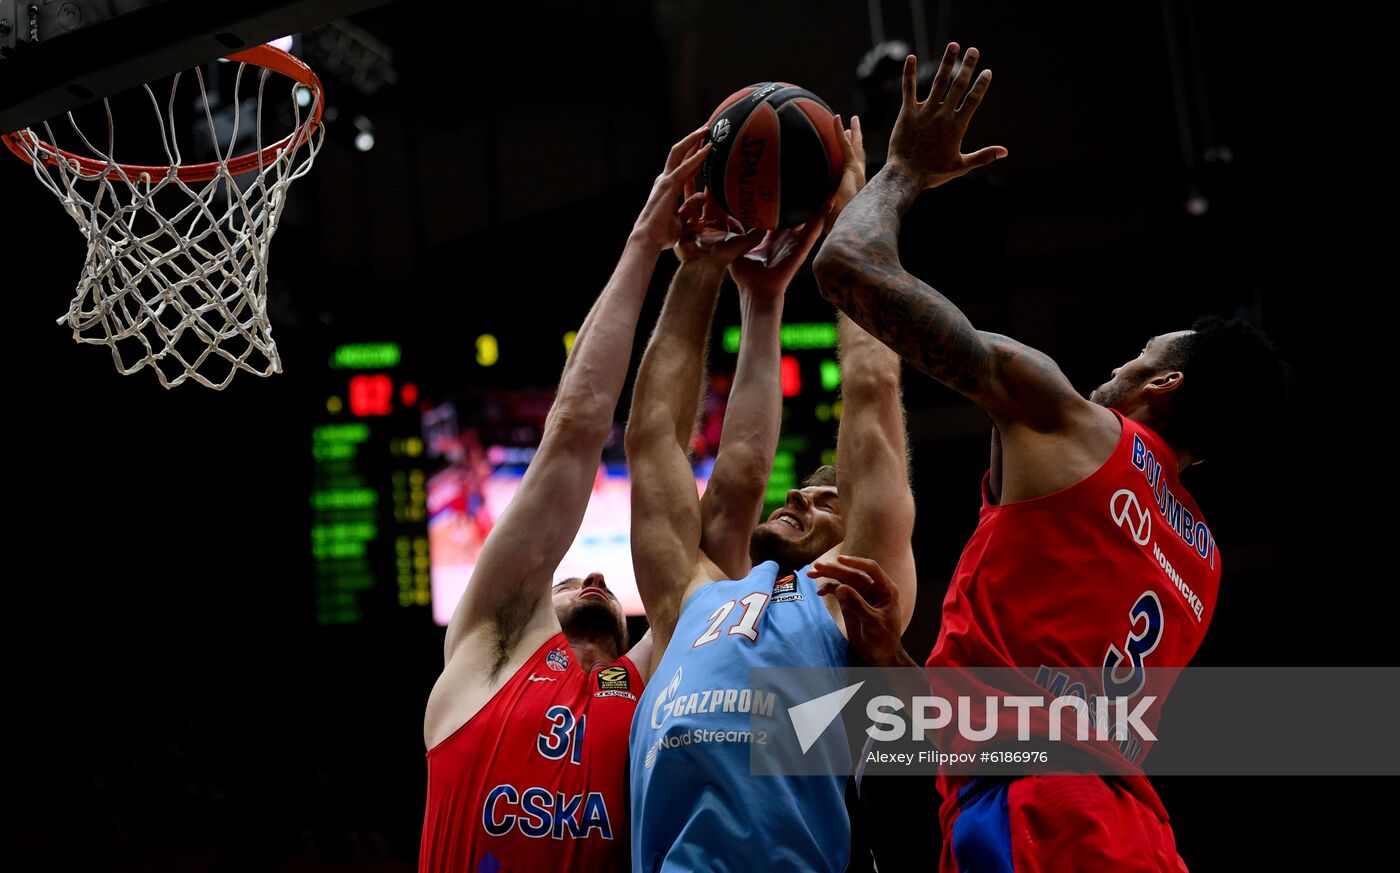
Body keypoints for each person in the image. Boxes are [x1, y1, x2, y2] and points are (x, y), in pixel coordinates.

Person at [814, 43, 1288, 873]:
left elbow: (847, 267)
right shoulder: (1201, 567)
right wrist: (895, 664)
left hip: (1036, 810)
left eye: (1137, 354)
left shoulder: (1066, 420)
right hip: (1128, 828)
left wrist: (899, 174)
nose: (1116, 367)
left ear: (1166, 382)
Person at [626, 115, 919, 873]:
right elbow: (653, 435)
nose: (798, 494)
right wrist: (697, 269)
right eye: (805, 489)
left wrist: (856, 215)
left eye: (828, 499)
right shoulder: (689, 599)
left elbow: (872, 386)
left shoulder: (851, 597)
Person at [418, 127, 714, 873]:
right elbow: (577, 427)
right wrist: (647, 239)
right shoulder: (489, 645)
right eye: (571, 577)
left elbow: (714, 486)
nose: (599, 578)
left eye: (607, 586)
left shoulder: (655, 687)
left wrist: (713, 281)